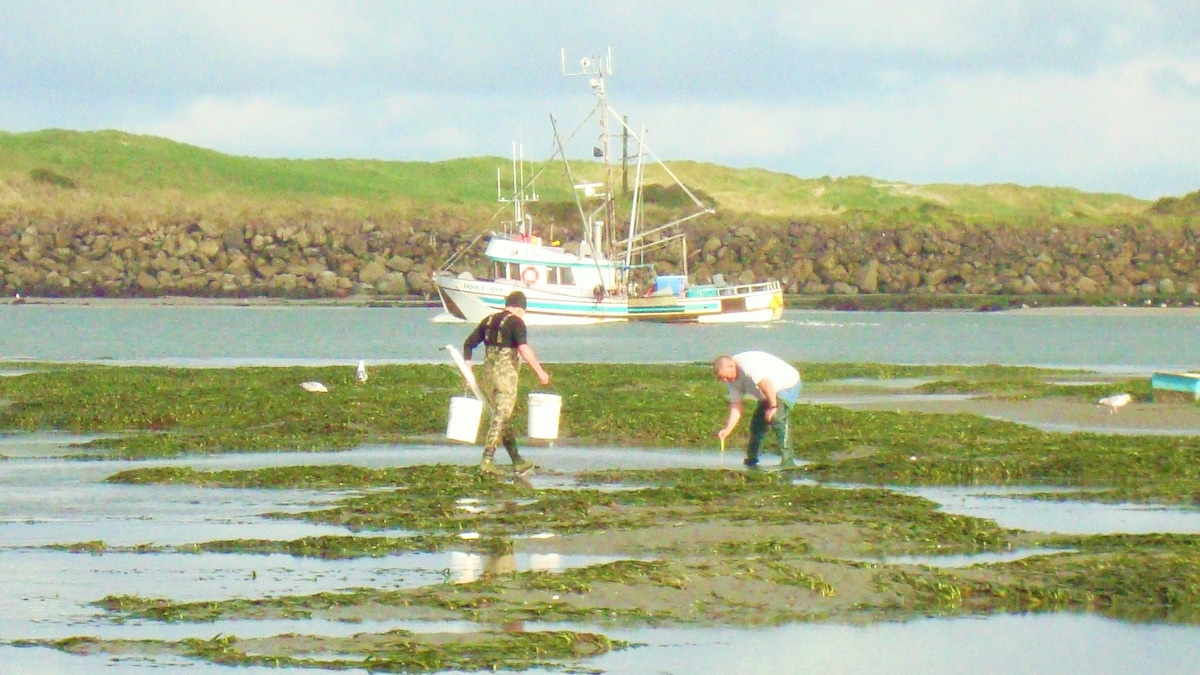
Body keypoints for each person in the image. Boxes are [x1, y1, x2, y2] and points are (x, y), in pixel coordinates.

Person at [463, 290, 551, 476]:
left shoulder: (488, 320)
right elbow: (523, 349)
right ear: (520, 308)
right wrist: (540, 372)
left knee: (503, 418)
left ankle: (517, 460)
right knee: (501, 417)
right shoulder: (516, 322)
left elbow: (468, 344)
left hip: (488, 376)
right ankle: (487, 459)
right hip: (505, 377)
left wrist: (468, 370)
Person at [713, 351, 801, 469]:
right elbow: (736, 405)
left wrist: (773, 407)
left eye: (726, 376)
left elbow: (766, 385)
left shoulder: (747, 365)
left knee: (777, 417)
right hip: (766, 393)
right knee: (757, 423)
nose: (725, 380)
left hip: (786, 384)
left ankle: (788, 461)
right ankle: (752, 458)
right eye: (721, 378)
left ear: (731, 366)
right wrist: (728, 429)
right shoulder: (731, 381)